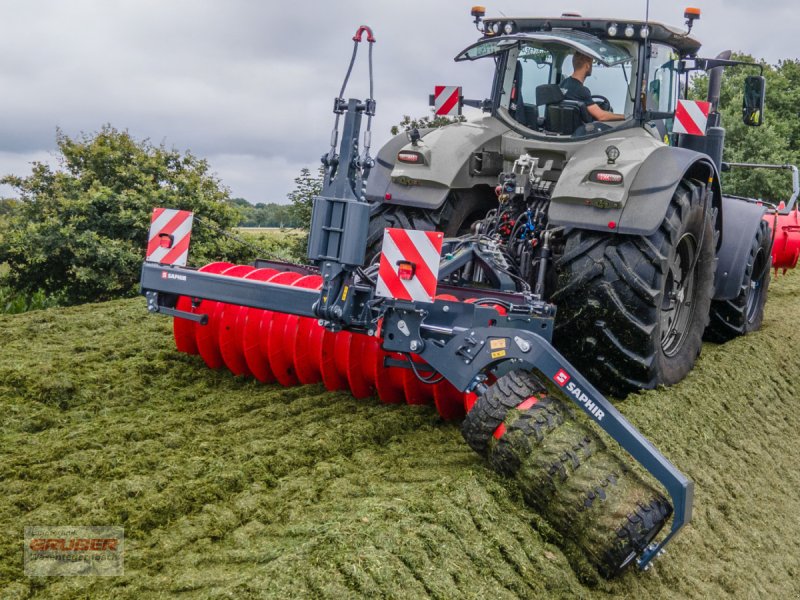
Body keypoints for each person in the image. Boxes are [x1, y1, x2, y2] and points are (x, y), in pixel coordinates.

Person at [560, 52, 625, 122]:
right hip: (582, 130)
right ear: (587, 66)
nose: (592, 67)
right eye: (591, 64)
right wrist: (625, 116)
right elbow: (601, 116)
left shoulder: (564, 83)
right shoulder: (582, 90)